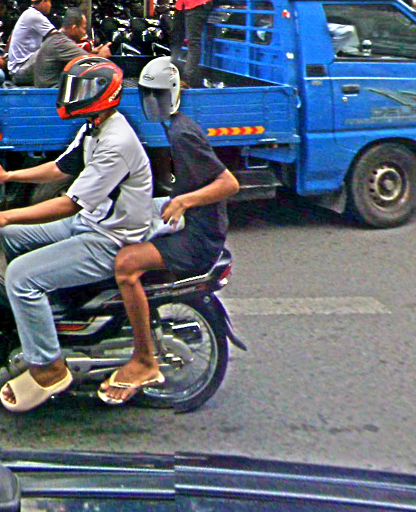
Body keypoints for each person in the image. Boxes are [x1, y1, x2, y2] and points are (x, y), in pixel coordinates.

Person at [0, 56, 153, 413]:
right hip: (92, 222)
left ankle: (50, 368)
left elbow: (69, 204)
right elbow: (61, 168)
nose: (72, 96)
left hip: (111, 239)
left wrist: (5, 215)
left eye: (81, 89)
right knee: (14, 237)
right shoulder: (94, 127)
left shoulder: (116, 141)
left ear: (104, 93)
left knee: (20, 276)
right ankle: (44, 312)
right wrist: (9, 177)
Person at [98, 57, 239, 405]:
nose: (151, 102)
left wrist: (185, 201)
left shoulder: (182, 132)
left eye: (157, 95)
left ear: (172, 93)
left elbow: (229, 183)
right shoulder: (172, 126)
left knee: (126, 264)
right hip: (188, 223)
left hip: (198, 237)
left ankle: (144, 359)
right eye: (147, 95)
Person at [34, 8, 112, 88]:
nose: (84, 32)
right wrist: (101, 56)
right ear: (74, 28)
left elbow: (81, 58)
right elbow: (90, 63)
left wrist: (92, 53)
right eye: (84, 28)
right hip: (53, 92)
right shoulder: (61, 43)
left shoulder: (55, 39)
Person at [7, 0, 55, 85]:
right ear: (43, 2)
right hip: (20, 71)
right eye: (49, 2)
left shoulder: (28, 13)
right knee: (52, 49)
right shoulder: (34, 16)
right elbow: (58, 37)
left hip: (20, 68)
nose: (50, 5)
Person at [170, 0, 213, 88]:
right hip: (183, 5)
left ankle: (187, 79)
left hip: (197, 5)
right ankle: (173, 74)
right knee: (176, 40)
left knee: (193, 42)